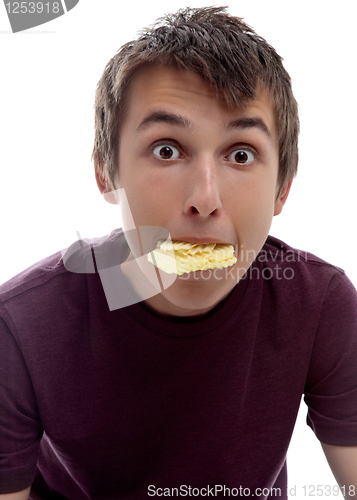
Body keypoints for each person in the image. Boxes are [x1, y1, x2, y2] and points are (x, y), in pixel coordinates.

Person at [0, 6, 356, 499]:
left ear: (282, 191)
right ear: (106, 172)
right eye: (167, 149)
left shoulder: (320, 305)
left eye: (240, 154)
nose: (205, 200)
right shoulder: (21, 324)